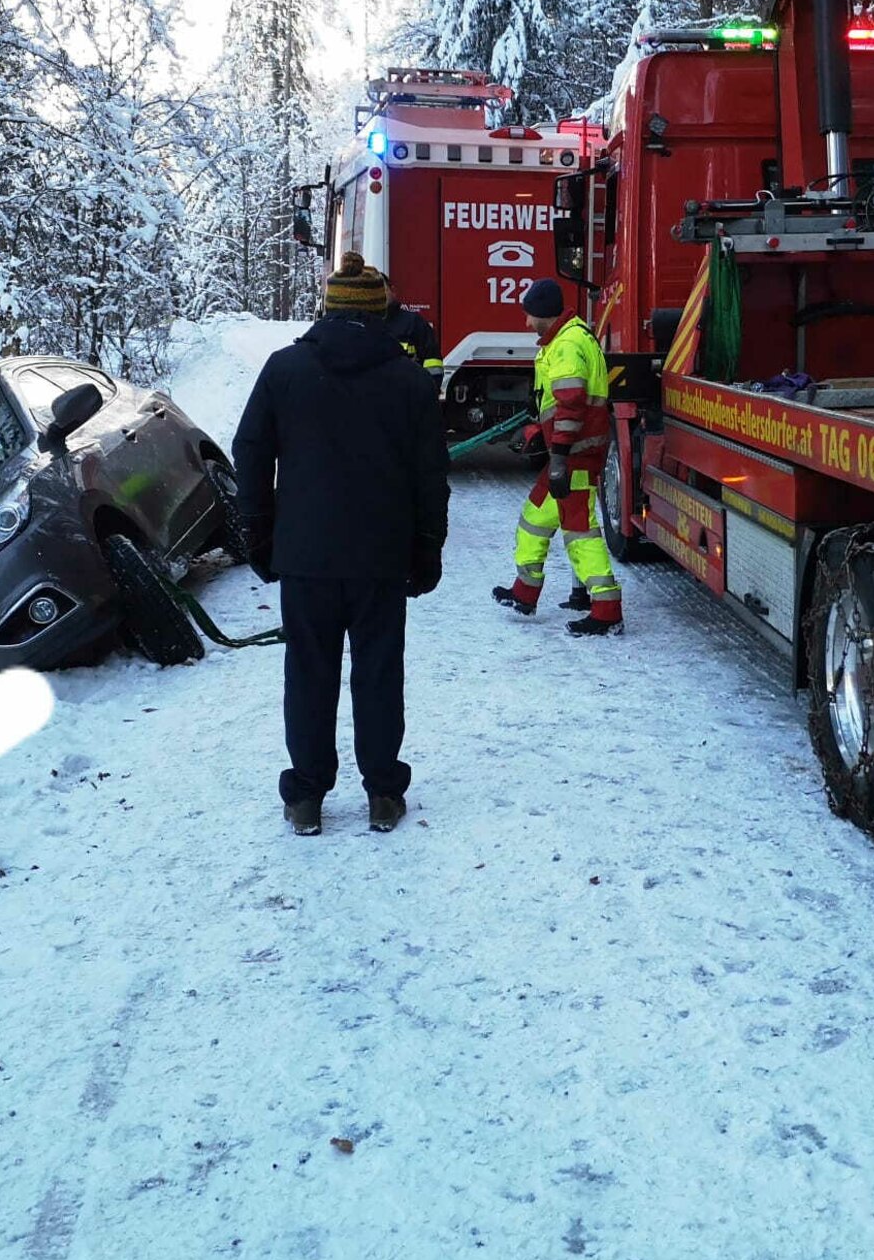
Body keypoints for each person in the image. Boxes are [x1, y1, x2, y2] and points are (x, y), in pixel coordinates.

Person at [233, 254, 449, 836]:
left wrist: (258, 530)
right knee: (378, 672)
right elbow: (432, 473)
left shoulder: (284, 370)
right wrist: (428, 547)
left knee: (309, 671)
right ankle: (382, 792)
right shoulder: (408, 380)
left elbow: (249, 452)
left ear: (327, 308)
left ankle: (306, 795)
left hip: (305, 555)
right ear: (379, 313)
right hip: (382, 555)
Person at [491, 278, 623, 636]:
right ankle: (525, 593)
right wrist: (536, 431)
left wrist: (561, 458)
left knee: (580, 531)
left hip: (575, 456)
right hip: (572, 453)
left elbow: (570, 403)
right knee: (535, 517)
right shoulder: (570, 337)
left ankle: (607, 610)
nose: (526, 322)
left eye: (529, 315)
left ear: (544, 315)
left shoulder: (565, 345)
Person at [382, 272, 443, 385]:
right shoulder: (363, 324)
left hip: (409, 395)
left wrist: (430, 391)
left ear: (393, 290)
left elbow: (434, 364)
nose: (380, 295)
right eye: (374, 291)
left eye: (383, 289)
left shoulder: (414, 322)